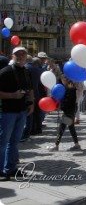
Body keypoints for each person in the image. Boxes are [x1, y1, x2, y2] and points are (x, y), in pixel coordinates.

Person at [0, 47, 34, 180]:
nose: (20, 57)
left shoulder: (26, 71)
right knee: (3, 142)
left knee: (14, 141)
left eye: (23, 54)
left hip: (22, 111)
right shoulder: (5, 72)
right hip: (8, 112)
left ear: (26, 57)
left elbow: (30, 89)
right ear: (12, 56)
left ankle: (10, 168)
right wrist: (12, 95)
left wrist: (31, 103)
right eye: (17, 55)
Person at [47, 75, 81, 151]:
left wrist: (61, 103)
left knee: (61, 128)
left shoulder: (69, 88)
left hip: (68, 111)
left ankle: (56, 146)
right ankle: (77, 144)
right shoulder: (68, 87)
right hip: (70, 111)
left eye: (64, 79)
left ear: (66, 79)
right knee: (71, 128)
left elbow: (68, 101)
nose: (63, 80)